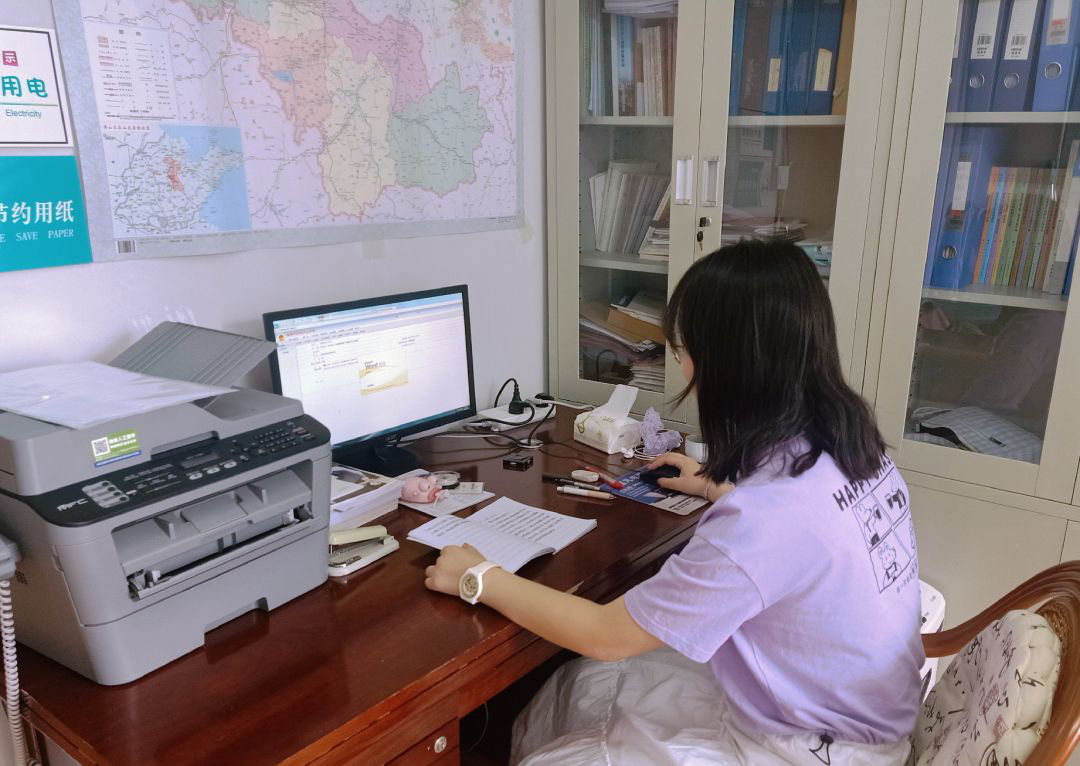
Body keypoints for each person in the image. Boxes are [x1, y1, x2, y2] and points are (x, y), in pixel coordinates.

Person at [424, 240, 924, 766]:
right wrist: (713, 488)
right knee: (578, 684)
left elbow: (606, 635)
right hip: (868, 714)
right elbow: (804, 534)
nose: (683, 367)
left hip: (811, 750)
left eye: (686, 350)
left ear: (729, 365)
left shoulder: (764, 522)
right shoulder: (853, 448)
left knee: (581, 694)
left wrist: (478, 576)